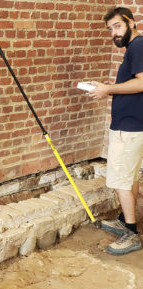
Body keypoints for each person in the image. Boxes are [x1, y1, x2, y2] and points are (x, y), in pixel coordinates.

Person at [89, 7, 143, 255]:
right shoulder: (133, 49)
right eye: (110, 29)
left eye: (117, 26)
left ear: (132, 23)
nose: (113, 32)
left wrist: (108, 89)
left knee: (122, 179)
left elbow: (142, 82)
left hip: (129, 127)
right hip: (131, 126)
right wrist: (108, 87)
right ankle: (124, 220)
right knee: (129, 177)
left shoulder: (138, 46)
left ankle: (131, 234)